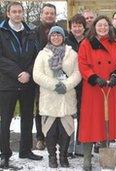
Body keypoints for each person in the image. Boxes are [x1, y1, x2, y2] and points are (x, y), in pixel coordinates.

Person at [77, 15, 116, 170]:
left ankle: (106, 158)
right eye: (100, 25)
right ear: (94, 27)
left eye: (105, 25)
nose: (103, 28)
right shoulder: (86, 43)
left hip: (110, 88)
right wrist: (93, 77)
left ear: (109, 27)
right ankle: (87, 159)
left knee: (107, 121)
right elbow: (82, 64)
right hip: (93, 89)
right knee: (90, 122)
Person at [0, 2, 42, 168]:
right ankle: (5, 153)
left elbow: (37, 57)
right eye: (14, 12)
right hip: (8, 83)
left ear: (23, 13)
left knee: (26, 118)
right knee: (6, 120)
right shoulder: (2, 32)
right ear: (8, 14)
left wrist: (29, 73)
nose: (17, 14)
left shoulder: (31, 31)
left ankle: (26, 150)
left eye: (20, 11)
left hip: (28, 83)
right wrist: (18, 73)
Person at [33, 26, 81, 168]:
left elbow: (78, 73)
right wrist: (54, 85)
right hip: (49, 97)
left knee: (66, 129)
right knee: (50, 129)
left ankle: (64, 156)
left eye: (58, 35)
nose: (56, 37)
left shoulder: (72, 54)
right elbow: (37, 74)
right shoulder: (43, 54)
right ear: (49, 37)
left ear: (63, 37)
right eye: (53, 35)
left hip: (67, 96)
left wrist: (66, 85)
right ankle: (52, 156)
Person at [33, 3, 60, 150]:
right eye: (46, 13)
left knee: (57, 105)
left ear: (55, 15)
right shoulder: (34, 32)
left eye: (52, 13)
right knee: (40, 107)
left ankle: (55, 136)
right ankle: (40, 137)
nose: (49, 15)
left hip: (57, 75)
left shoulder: (61, 31)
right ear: (41, 15)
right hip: (40, 75)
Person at [66, 13, 86, 156]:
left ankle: (80, 146)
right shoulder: (65, 41)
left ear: (84, 27)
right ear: (70, 28)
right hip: (70, 84)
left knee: (83, 115)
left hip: (86, 84)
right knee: (68, 115)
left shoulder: (90, 41)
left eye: (80, 26)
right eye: (74, 26)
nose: (77, 29)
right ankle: (67, 145)